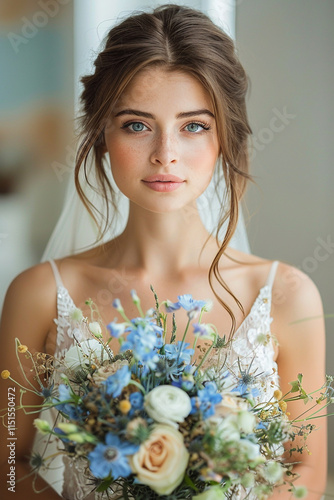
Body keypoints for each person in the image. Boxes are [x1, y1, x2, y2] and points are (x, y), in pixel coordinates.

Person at [0, 4, 327, 499]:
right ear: (102, 135)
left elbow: (304, 469)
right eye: (137, 124)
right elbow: (8, 464)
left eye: (193, 125)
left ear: (224, 137)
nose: (165, 154)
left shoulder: (287, 294)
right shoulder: (39, 293)